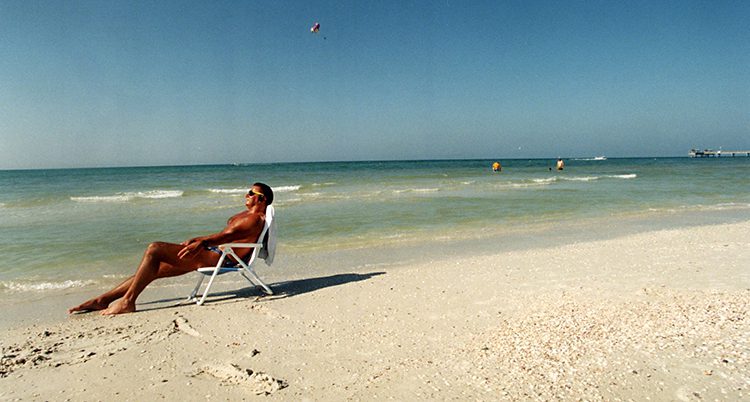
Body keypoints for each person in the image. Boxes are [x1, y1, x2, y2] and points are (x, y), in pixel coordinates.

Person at [68, 182, 274, 316]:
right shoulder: (245, 215)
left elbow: (227, 236)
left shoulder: (255, 219)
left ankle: (128, 302)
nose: (246, 194)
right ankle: (103, 299)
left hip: (218, 257)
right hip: (216, 254)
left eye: (251, 193)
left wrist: (202, 242)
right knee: (153, 270)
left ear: (261, 199)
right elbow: (227, 235)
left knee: (154, 249)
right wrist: (200, 239)